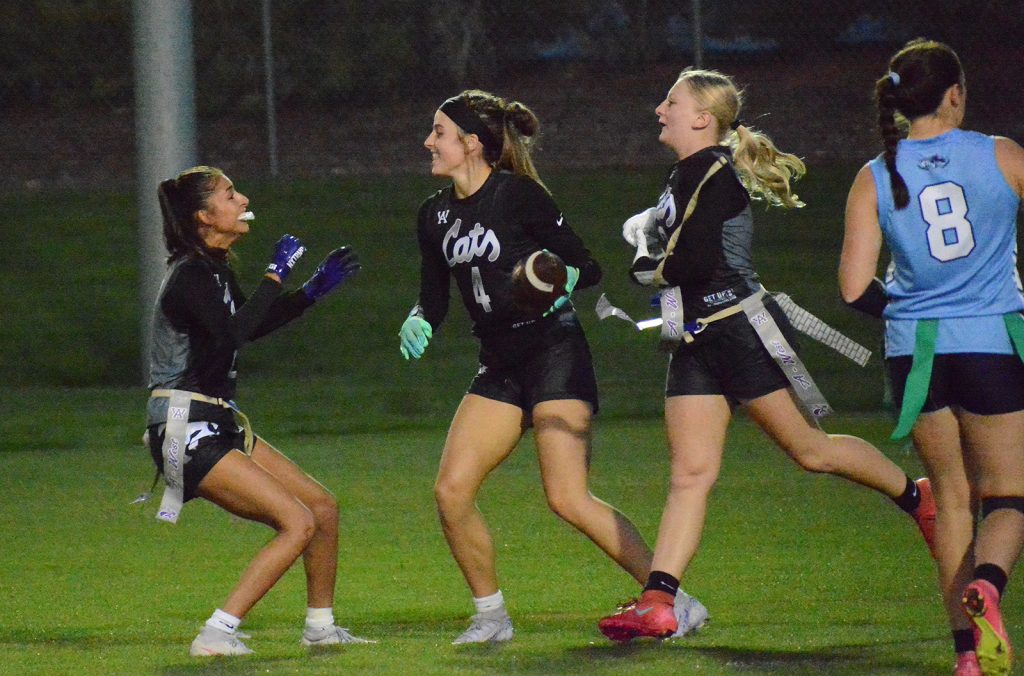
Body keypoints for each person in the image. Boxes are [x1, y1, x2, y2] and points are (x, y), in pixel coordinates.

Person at [597, 68, 936, 642]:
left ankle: (914, 494)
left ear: (702, 118)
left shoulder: (712, 174)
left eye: (671, 102)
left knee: (812, 451)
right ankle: (660, 601)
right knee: (690, 473)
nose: (660, 109)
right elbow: (683, 257)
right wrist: (653, 236)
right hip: (697, 336)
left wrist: (644, 256)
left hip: (742, 331)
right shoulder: (685, 173)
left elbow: (693, 262)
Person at [398, 89, 708, 644]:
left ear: (471, 143)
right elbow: (435, 297)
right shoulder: (434, 215)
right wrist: (418, 317)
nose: (429, 141)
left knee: (566, 496)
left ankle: (674, 600)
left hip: (552, 352)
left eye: (439, 132)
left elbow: (585, 265)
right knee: (451, 491)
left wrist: (559, 277)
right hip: (499, 364)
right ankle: (491, 618)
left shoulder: (519, 196)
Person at [840, 39, 1024, 676]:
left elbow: (855, 287)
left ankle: (966, 659)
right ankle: (991, 586)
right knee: (1009, 495)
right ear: (955, 94)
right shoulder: (1002, 154)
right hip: (991, 344)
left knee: (951, 502)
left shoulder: (873, 175)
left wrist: (912, 310)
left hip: (916, 354)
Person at [146, 165, 368, 657]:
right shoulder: (189, 275)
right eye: (230, 193)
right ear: (206, 216)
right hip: (184, 425)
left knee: (322, 509)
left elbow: (250, 324)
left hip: (216, 421)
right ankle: (216, 633)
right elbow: (232, 335)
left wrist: (309, 293)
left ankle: (321, 627)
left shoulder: (215, 269)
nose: (242, 197)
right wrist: (276, 273)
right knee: (297, 522)